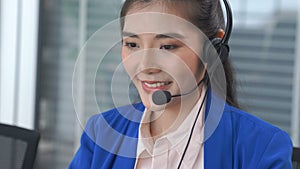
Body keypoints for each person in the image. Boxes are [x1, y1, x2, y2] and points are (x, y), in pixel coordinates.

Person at [69, 0, 293, 168]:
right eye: (132, 44)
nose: (146, 65)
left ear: (212, 49)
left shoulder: (262, 148)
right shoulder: (101, 133)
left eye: (167, 46)